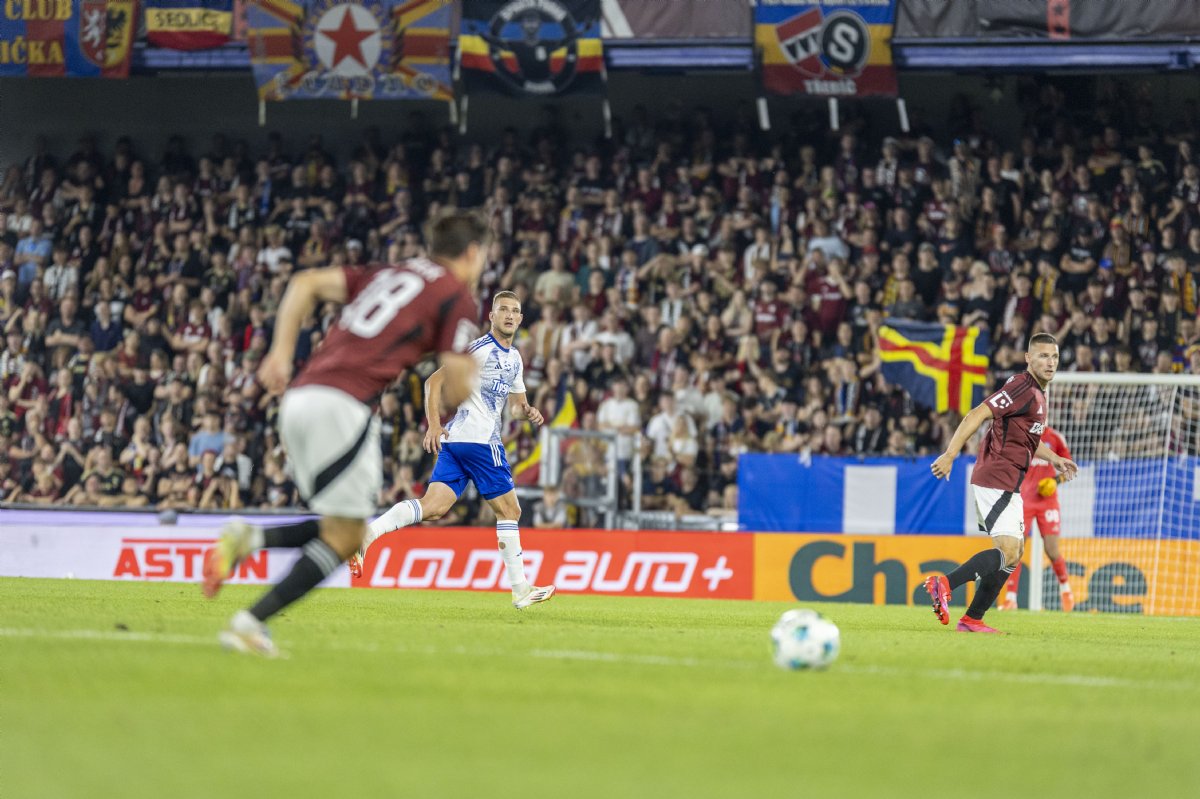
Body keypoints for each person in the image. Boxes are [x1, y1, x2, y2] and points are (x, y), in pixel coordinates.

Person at [201, 210, 489, 656]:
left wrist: (280, 354)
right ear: (472, 252)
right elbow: (454, 387)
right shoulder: (456, 296)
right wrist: (472, 379)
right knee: (345, 538)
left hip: (299, 398)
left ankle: (249, 539)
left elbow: (305, 283)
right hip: (344, 407)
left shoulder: (388, 273)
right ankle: (247, 623)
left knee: (345, 528)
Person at [350, 290, 556, 610]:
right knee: (510, 511)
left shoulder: (515, 359)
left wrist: (527, 411)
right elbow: (433, 382)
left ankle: (368, 534)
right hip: (480, 441)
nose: (509, 315)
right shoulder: (480, 349)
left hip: (457, 442)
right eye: (503, 309)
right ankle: (520, 590)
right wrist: (433, 425)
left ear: (520, 319)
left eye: (515, 311)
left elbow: (515, 407)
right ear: (492, 316)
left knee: (433, 507)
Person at [925, 333, 1078, 633]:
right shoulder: (1022, 387)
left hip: (1009, 480)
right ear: (1028, 358)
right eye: (1043, 356)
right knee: (1009, 551)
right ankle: (944, 584)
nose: (1050, 362)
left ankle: (972, 619)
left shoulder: (1038, 394)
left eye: (1055, 357)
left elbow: (1028, 440)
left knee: (1013, 554)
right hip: (996, 476)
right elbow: (977, 414)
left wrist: (1054, 459)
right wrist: (950, 454)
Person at [1001, 425, 1075, 611]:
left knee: (1052, 549)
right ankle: (1011, 598)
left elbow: (1069, 468)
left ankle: (1066, 591)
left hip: (1047, 501)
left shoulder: (1056, 438)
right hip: (1022, 501)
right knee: (1016, 549)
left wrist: (1056, 481)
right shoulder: (1021, 434)